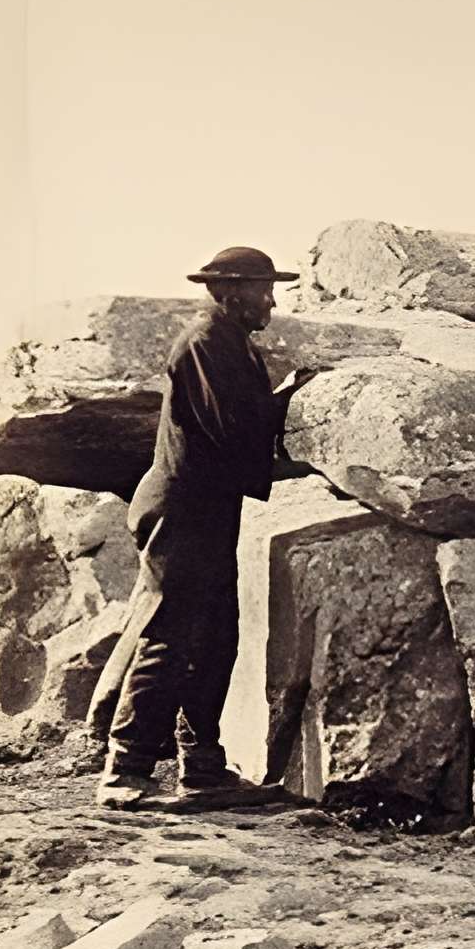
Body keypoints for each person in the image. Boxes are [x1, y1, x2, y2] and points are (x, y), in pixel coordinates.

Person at [96, 244, 340, 812]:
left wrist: (284, 399)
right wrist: (292, 399)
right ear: (231, 293)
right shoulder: (205, 343)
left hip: (208, 509)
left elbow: (238, 426)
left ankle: (202, 770)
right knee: (170, 635)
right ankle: (124, 767)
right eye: (262, 291)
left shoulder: (230, 344)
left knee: (214, 639)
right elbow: (234, 428)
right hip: (183, 510)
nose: (271, 303)